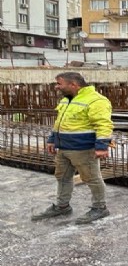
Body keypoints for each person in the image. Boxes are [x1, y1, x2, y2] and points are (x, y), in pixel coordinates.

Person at [31, 72, 113, 224]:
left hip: (83, 149)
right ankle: (62, 206)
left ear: (73, 85)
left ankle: (100, 208)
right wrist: (52, 139)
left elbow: (103, 124)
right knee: (62, 177)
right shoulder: (66, 100)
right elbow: (59, 122)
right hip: (64, 148)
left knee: (92, 178)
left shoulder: (96, 100)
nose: (56, 87)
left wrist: (102, 146)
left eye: (59, 84)